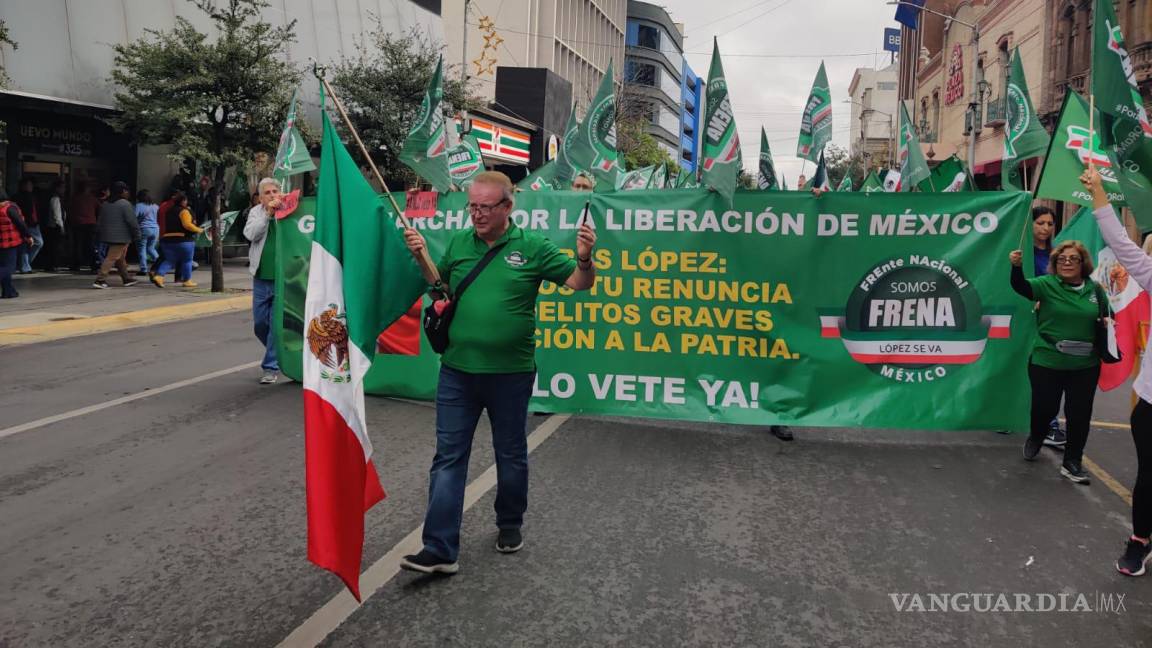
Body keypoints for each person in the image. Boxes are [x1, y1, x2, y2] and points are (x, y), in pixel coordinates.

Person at [399, 171, 597, 575]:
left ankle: (509, 522)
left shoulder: (533, 247)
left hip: (511, 375)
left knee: (510, 454)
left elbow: (579, 283)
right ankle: (439, 549)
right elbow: (443, 290)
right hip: (457, 370)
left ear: (508, 206)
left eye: (485, 207)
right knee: (448, 457)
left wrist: (583, 257)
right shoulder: (459, 242)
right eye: (472, 206)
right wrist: (422, 257)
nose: (477, 214)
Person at [1077, 169, 1152, 575]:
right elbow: (1123, 246)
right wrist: (1100, 192)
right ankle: (1140, 540)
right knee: (1148, 478)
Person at [1009, 235, 1101, 484]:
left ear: (1083, 263)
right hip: (1047, 361)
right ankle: (1037, 435)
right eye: (1061, 258)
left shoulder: (1095, 290)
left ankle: (1072, 462)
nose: (1067, 262)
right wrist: (1016, 267)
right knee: (1044, 408)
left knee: (1079, 414)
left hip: (1085, 365)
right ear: (1054, 263)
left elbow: (1106, 317)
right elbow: (1021, 287)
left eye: (1073, 258)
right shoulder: (1046, 284)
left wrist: (1107, 324)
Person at [1030, 206, 1068, 448]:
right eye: (1040, 223)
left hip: (1050, 321)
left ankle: (1050, 424)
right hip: (1024, 318)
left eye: (1050, 224)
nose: (1045, 228)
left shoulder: (1057, 254)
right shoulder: (1019, 253)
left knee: (1048, 373)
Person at [242, 178, 282, 385]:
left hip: (282, 279)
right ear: (260, 197)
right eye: (268, 192)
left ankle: (270, 367)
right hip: (260, 277)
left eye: (276, 191)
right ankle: (279, 351)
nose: (273, 195)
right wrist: (268, 215)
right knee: (260, 324)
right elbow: (250, 234)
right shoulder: (257, 212)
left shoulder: (288, 211)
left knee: (276, 326)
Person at [93, 181, 140, 289]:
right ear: (123, 191)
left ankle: (126, 278)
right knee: (111, 257)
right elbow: (132, 222)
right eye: (127, 191)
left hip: (107, 235)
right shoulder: (125, 204)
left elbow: (100, 220)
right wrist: (137, 234)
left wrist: (98, 232)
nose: (128, 193)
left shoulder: (106, 203)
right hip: (121, 236)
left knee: (120, 258)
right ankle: (100, 279)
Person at [151, 191, 201, 288]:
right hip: (183, 240)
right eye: (185, 200)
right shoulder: (184, 211)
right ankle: (187, 280)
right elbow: (187, 225)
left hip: (167, 239)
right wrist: (199, 230)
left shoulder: (167, 211)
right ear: (183, 201)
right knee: (187, 260)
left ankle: (159, 276)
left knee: (169, 260)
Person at [0, 190, 33, 298]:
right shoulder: (9, 208)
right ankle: (8, 291)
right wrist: (28, 236)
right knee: (9, 267)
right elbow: (20, 223)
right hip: (9, 242)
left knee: (3, 266)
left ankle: (9, 291)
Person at [69, 183, 101, 272]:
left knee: (77, 245)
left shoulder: (75, 198)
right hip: (90, 223)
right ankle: (93, 264)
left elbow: (70, 210)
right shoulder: (92, 198)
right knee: (90, 245)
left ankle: (76, 264)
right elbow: (100, 209)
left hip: (77, 223)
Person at [14, 177, 43, 274]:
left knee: (25, 245)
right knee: (38, 242)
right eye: (29, 185)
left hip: (33, 223)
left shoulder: (32, 196)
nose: (31, 187)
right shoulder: (21, 197)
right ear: (23, 186)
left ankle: (24, 265)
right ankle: (24, 265)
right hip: (27, 223)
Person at [40, 179, 67, 272]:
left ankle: (51, 264)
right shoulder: (55, 198)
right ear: (57, 188)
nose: (64, 189)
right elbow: (57, 214)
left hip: (52, 226)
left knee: (52, 246)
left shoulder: (54, 197)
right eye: (62, 187)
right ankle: (52, 264)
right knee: (54, 247)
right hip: (54, 226)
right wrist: (61, 226)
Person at [135, 189, 160, 276]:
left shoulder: (139, 206)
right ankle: (160, 264)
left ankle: (143, 269)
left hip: (144, 229)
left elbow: (134, 217)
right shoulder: (156, 206)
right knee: (151, 248)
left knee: (142, 249)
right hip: (156, 229)